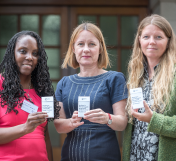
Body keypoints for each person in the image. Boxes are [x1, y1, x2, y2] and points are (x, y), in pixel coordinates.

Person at [122, 14, 176, 161]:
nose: (151, 42)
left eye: (158, 37)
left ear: (168, 41)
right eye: (146, 37)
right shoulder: (136, 75)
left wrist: (156, 120)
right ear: (139, 40)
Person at [0, 31, 60, 161]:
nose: (30, 57)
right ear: (12, 53)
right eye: (23, 51)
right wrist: (24, 128)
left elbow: (44, 135)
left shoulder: (41, 90)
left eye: (35, 53)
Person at [54, 22, 128, 161]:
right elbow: (59, 126)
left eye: (92, 44)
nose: (86, 49)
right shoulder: (64, 83)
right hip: (70, 156)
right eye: (80, 44)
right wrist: (71, 122)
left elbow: (122, 122)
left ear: (100, 48)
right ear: (73, 49)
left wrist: (107, 118)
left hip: (105, 156)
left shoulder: (114, 79)